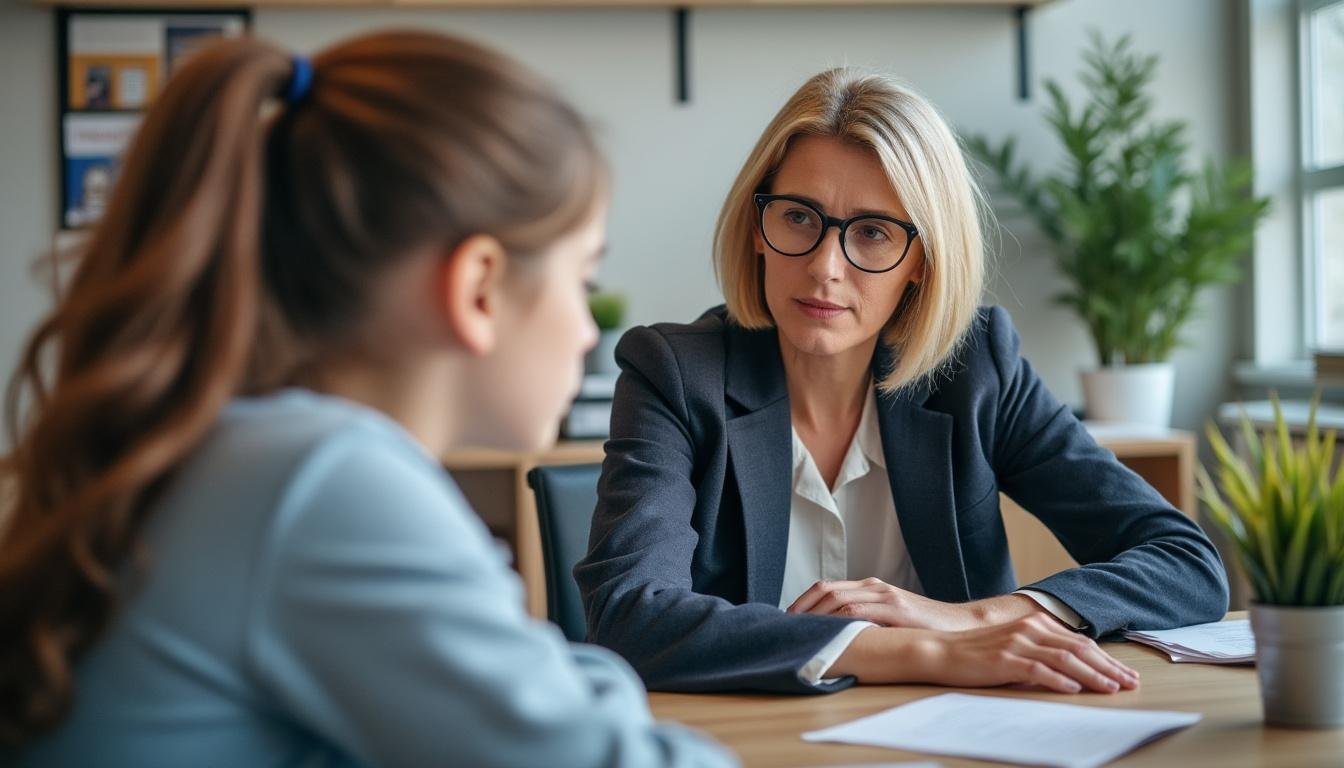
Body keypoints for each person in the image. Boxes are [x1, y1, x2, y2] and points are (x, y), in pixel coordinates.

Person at [0, 30, 734, 768]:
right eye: (583, 280)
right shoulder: (326, 480)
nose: (586, 331)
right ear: (478, 287)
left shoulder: (252, 453)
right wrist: (592, 683)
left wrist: (573, 679)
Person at [576, 68, 1229, 696]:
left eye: (873, 232)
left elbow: (1186, 563)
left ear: (922, 260)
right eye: (798, 217)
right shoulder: (675, 375)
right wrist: (921, 650)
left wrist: (973, 620)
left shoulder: (978, 370)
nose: (826, 268)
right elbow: (630, 615)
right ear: (757, 229)